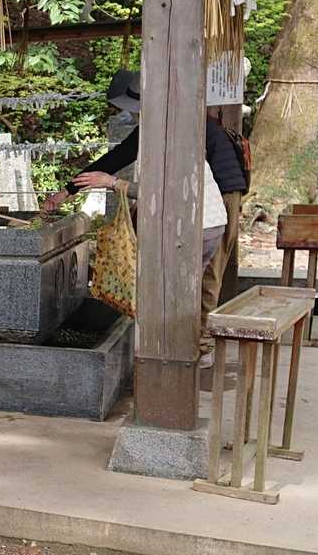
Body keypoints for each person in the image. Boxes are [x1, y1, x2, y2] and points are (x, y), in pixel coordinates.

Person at [43, 71, 245, 363]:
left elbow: (162, 190)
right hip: (199, 204)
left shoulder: (172, 131)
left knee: (204, 279)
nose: (133, 114)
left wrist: (113, 184)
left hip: (213, 201)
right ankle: (185, 344)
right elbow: (115, 159)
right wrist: (66, 191)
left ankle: (199, 346)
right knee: (190, 281)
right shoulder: (161, 123)